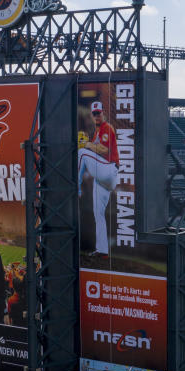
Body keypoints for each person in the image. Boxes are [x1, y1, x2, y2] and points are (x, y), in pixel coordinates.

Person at [77, 101, 118, 257]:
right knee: (98, 213)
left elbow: (104, 149)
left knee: (82, 153)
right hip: (103, 179)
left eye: (98, 113)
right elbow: (96, 149)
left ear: (103, 113)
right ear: (91, 115)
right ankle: (102, 250)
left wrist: (87, 144)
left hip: (108, 170)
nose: (97, 116)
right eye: (94, 113)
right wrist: (89, 143)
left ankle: (77, 185)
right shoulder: (97, 131)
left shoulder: (106, 127)